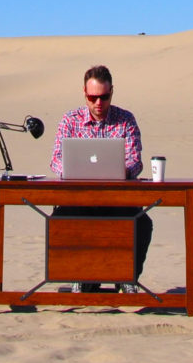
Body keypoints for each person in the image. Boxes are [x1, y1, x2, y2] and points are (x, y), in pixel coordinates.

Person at [49, 65, 153, 294]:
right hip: (78, 199)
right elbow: (56, 160)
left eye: (104, 97)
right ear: (84, 94)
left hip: (118, 199)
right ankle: (81, 276)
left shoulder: (125, 120)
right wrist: (72, 170)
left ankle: (127, 277)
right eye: (93, 97)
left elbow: (135, 160)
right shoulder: (70, 120)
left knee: (142, 223)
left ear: (112, 92)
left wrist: (119, 171)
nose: (98, 103)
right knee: (61, 219)